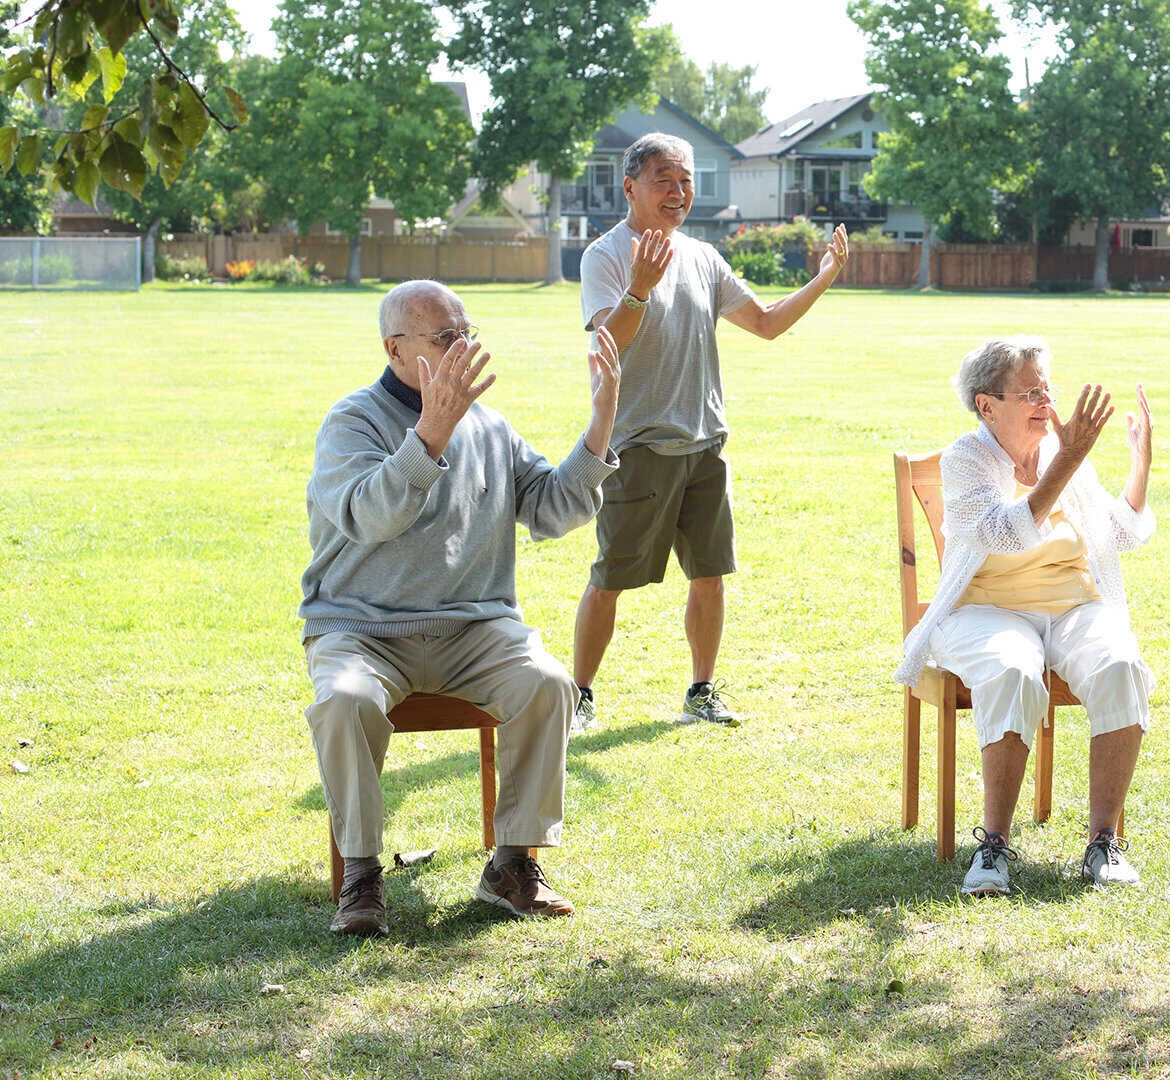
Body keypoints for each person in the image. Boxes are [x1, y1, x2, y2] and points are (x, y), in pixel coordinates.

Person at [301, 280, 622, 936]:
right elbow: (372, 515)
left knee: (550, 684)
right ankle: (361, 874)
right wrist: (430, 433)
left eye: (466, 332)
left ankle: (512, 865)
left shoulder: (492, 427)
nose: (463, 348)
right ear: (395, 350)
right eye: (446, 337)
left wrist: (601, 422)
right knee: (344, 700)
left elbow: (554, 508)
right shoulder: (351, 422)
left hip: (474, 628)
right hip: (362, 630)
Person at [571, 131, 851, 731]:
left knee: (710, 574)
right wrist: (640, 286)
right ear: (630, 187)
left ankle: (701, 691)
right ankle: (579, 696)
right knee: (610, 578)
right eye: (664, 180)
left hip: (704, 444)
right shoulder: (606, 256)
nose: (679, 192)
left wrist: (824, 276)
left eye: (687, 181)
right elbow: (607, 343)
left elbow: (768, 324)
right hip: (637, 444)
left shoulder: (703, 257)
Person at [895, 337, 1156, 895]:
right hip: (984, 610)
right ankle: (992, 848)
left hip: (1072, 605)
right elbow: (1001, 533)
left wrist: (1140, 464)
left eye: (1046, 389)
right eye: (1029, 391)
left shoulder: (1063, 455)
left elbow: (1123, 533)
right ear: (987, 404)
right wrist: (1068, 458)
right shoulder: (965, 459)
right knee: (1013, 670)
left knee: (1120, 664)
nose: (1044, 401)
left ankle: (1103, 844)